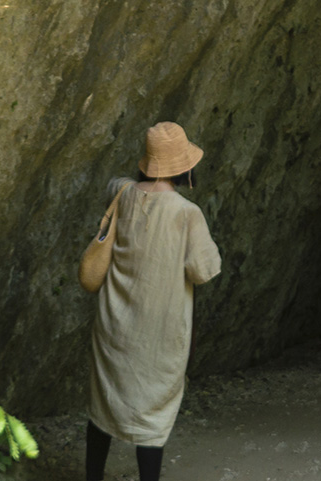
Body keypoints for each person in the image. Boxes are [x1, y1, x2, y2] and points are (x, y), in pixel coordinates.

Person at [86, 121, 222, 481]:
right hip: (158, 332)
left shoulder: (125, 193)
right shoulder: (186, 214)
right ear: (183, 165)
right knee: (152, 411)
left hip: (113, 324)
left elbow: (116, 183)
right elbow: (204, 270)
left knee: (105, 402)